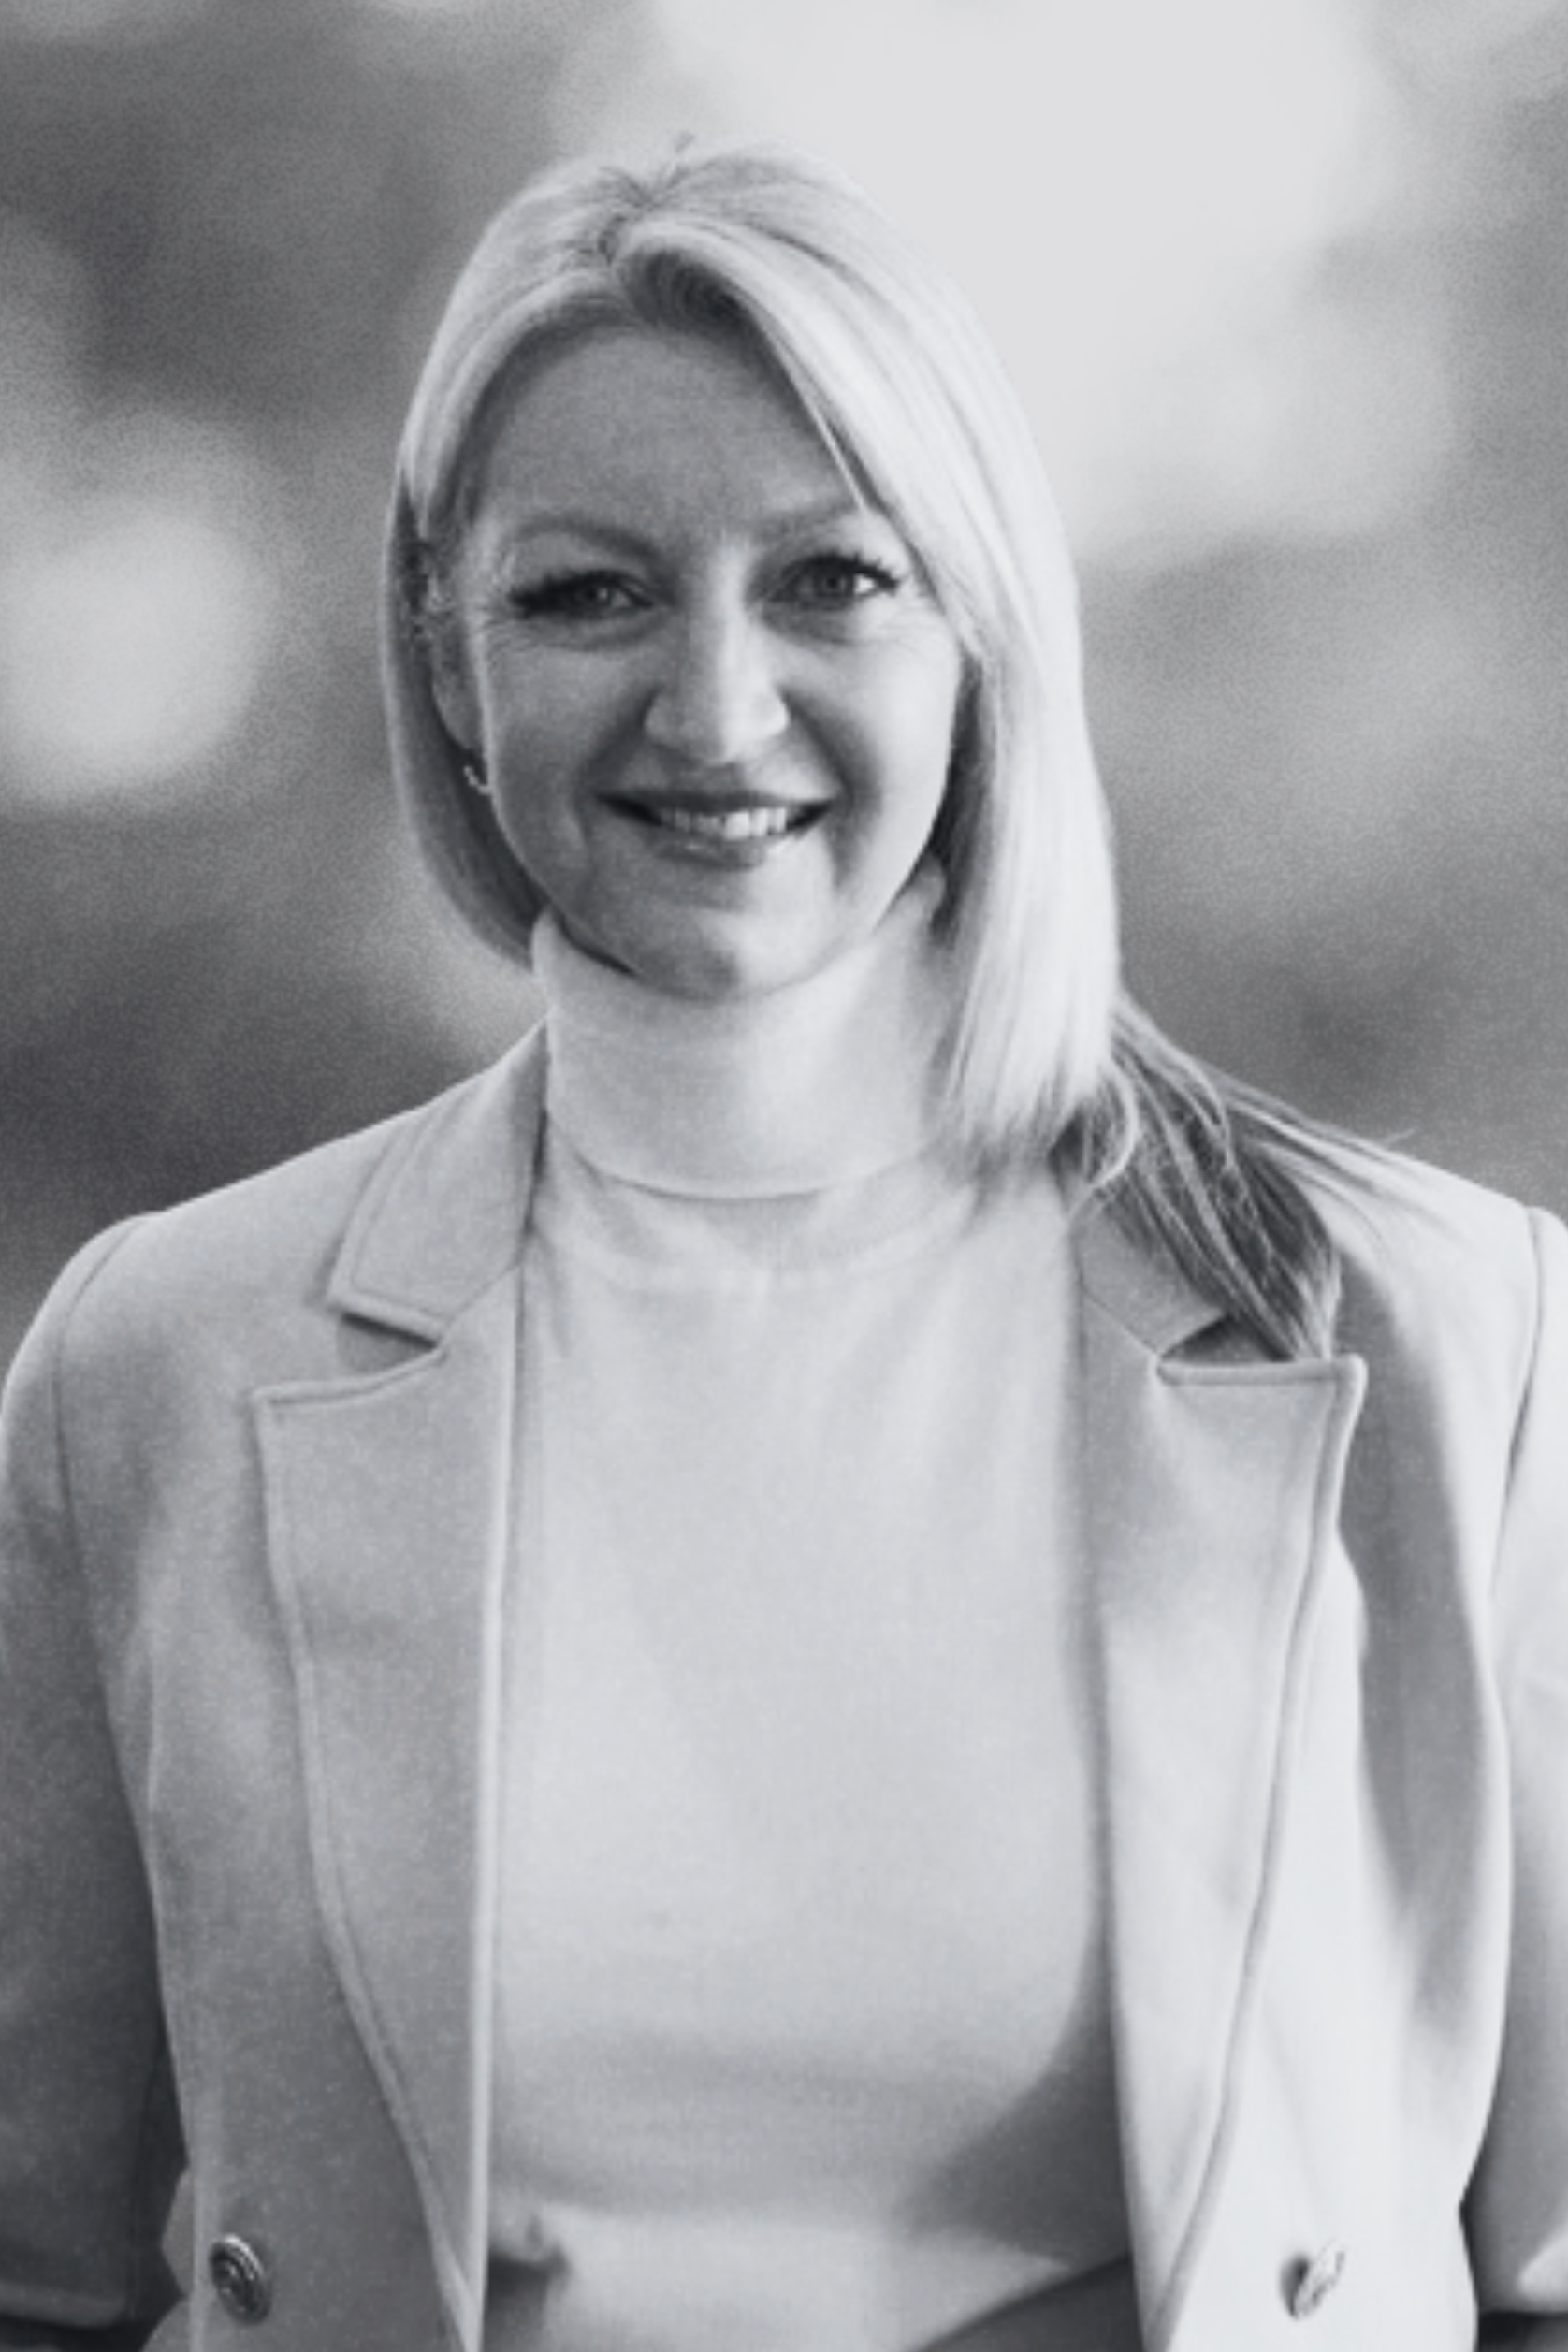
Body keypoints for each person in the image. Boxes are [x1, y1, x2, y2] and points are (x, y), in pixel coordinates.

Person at [0, 140, 1564, 2352]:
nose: (716, 711)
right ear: (447, 659)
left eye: (829, 580)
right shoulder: (155, 1363)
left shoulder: (1446, 1343)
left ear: (979, 636)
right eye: (587, 594)